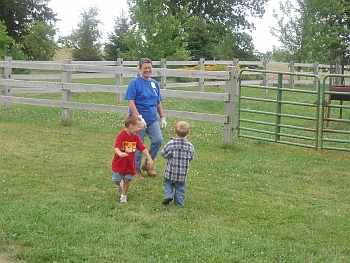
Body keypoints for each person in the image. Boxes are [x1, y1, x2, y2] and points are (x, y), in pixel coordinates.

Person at [124, 58, 167, 179]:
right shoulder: (135, 83)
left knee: (158, 140)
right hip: (138, 119)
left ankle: (148, 164)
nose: (147, 70)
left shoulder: (154, 83)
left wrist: (162, 117)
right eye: (145, 68)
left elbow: (158, 102)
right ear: (140, 69)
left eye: (149, 68)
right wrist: (138, 117)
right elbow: (131, 101)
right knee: (138, 144)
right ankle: (136, 170)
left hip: (152, 118)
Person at [112, 114, 154, 203]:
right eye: (138, 127)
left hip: (129, 164)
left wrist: (149, 158)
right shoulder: (121, 135)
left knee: (127, 180)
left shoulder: (135, 137)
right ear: (131, 126)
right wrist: (120, 153)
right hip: (119, 163)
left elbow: (142, 147)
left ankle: (123, 197)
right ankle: (119, 186)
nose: (139, 129)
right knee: (116, 180)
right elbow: (116, 147)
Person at [161, 121, 195, 206]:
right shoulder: (190, 146)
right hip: (182, 174)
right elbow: (191, 157)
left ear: (175, 131)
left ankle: (168, 195)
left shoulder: (171, 144)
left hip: (170, 172)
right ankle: (179, 203)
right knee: (180, 188)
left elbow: (164, 154)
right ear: (188, 132)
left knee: (167, 183)